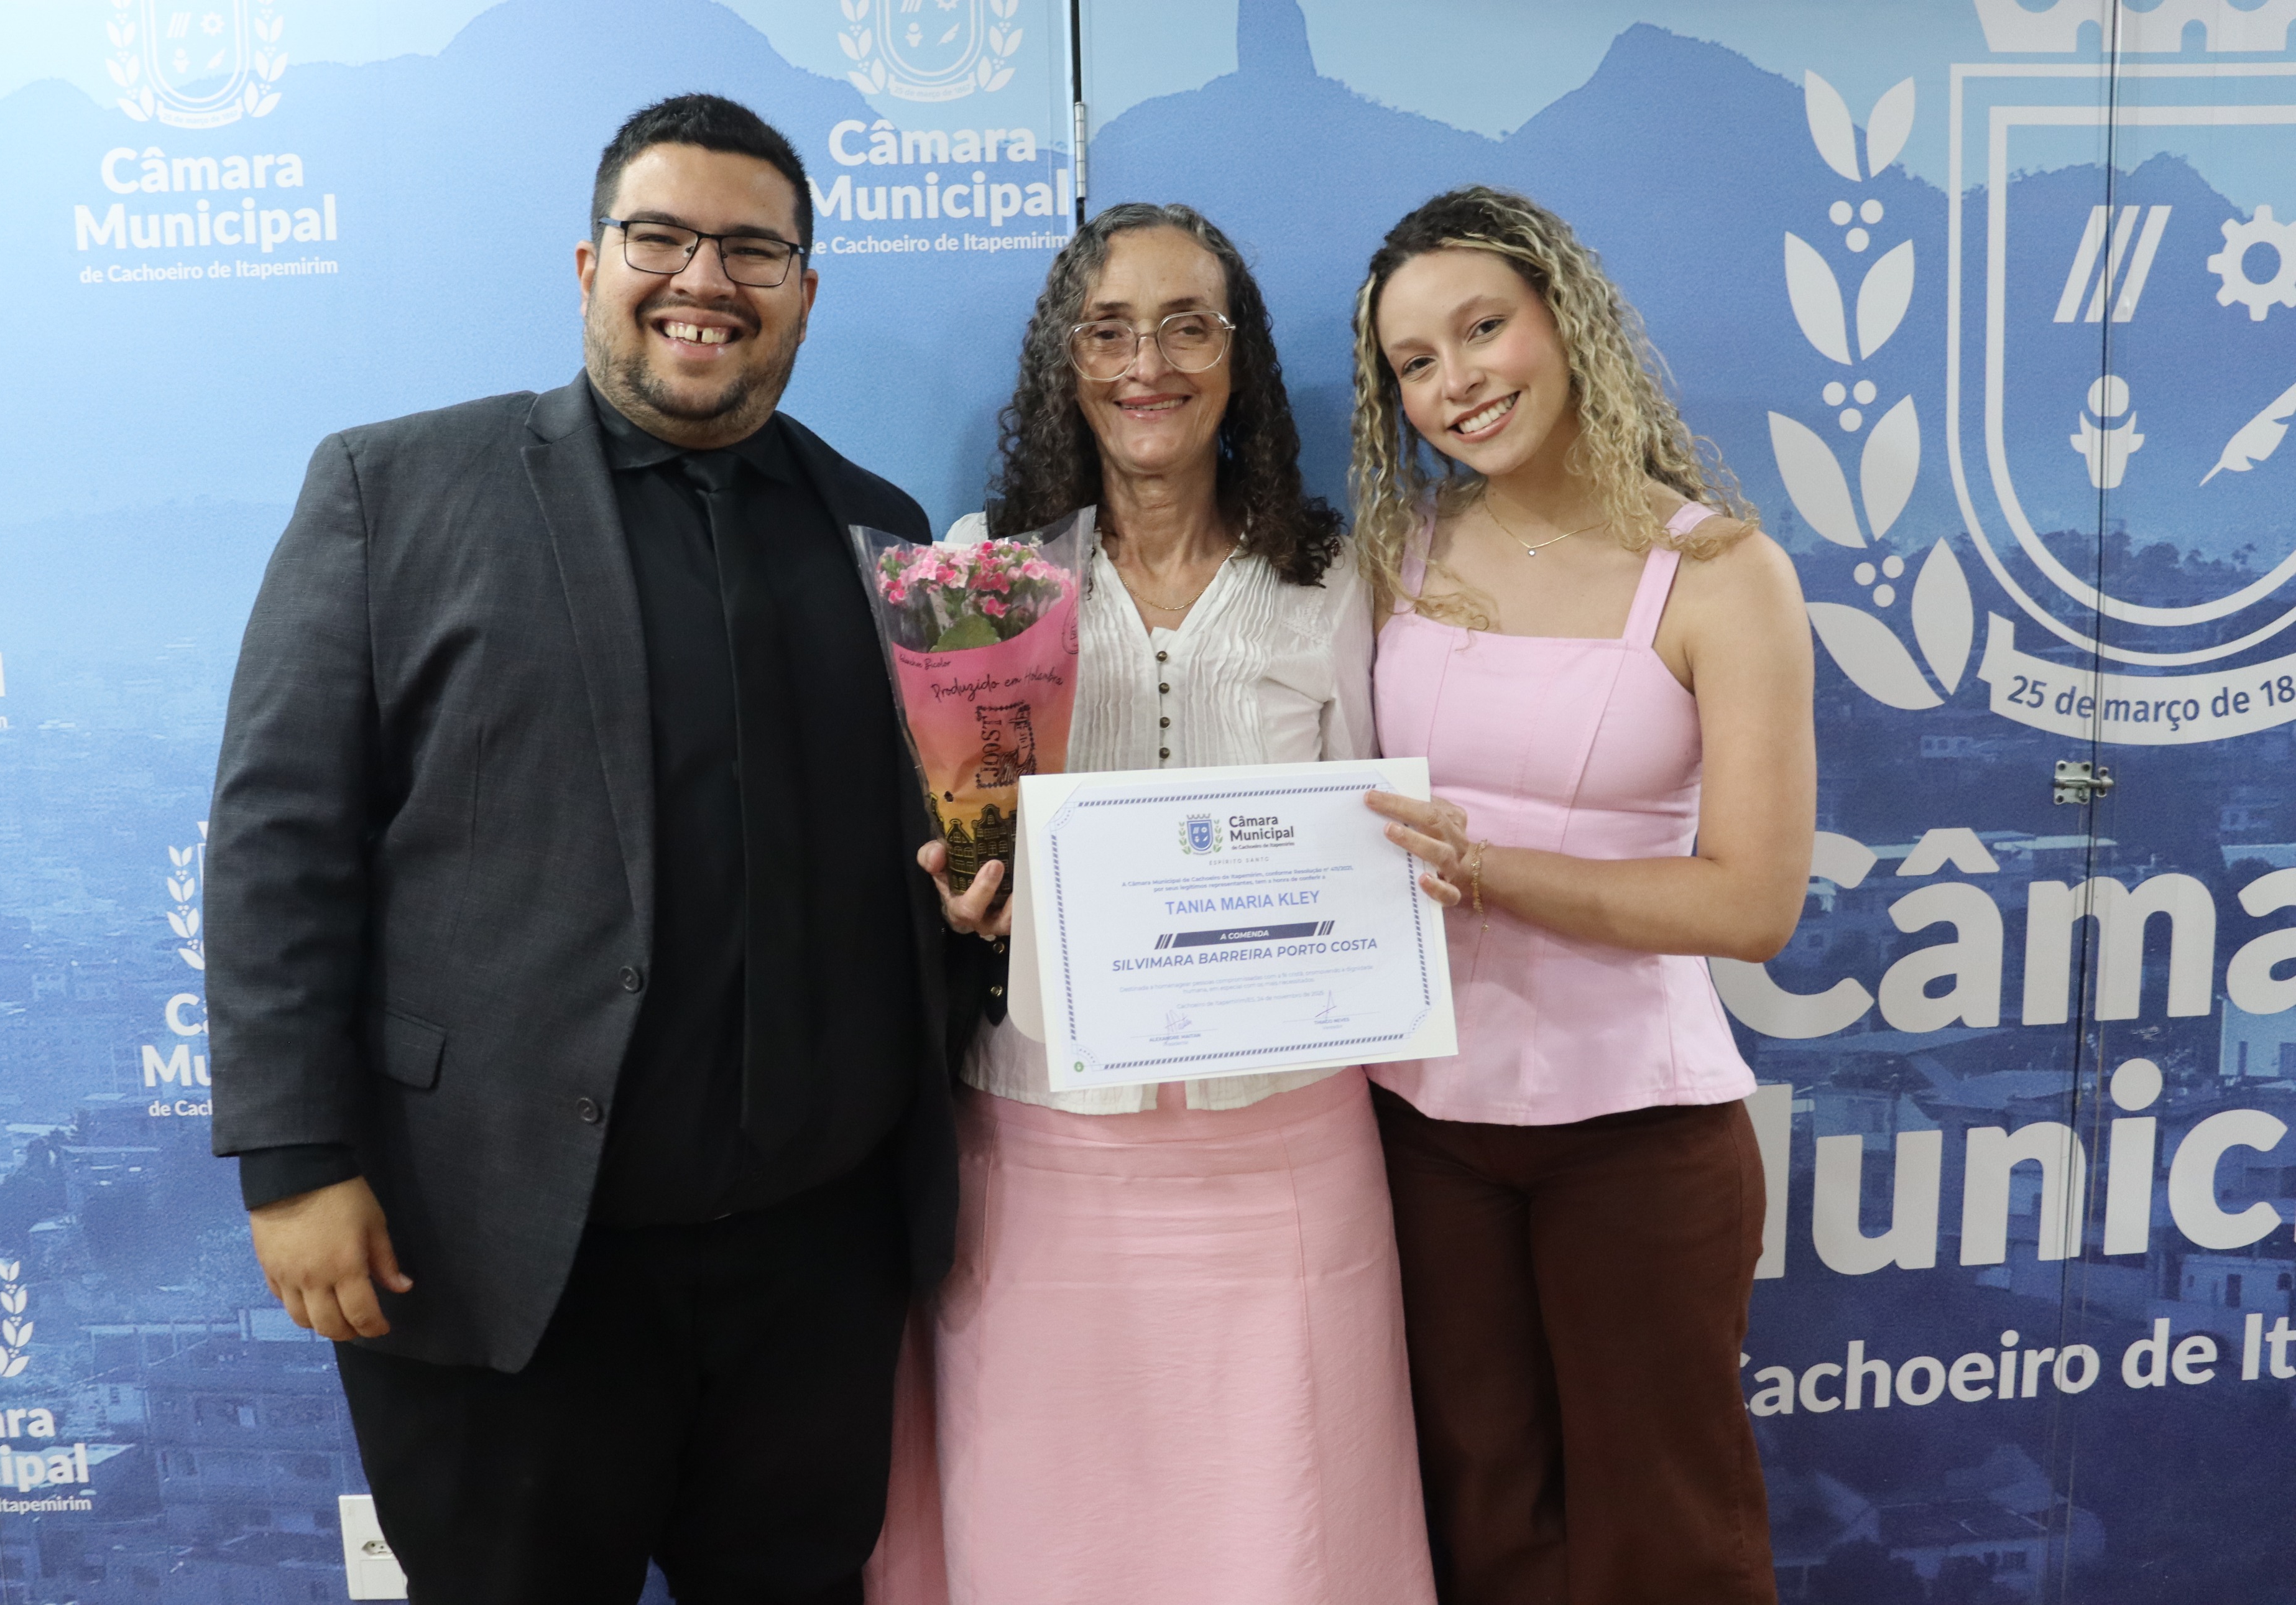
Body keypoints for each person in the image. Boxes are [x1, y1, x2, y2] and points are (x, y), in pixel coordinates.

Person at [206, 94, 980, 1605]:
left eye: (753, 250)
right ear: (588, 265)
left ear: (805, 290)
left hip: (814, 1274)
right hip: (497, 1253)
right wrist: (294, 1161)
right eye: (661, 237)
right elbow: (276, 841)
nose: (705, 279)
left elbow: (925, 864)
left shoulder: (883, 536)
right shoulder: (394, 492)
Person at [867, 203, 1434, 1605]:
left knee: (1288, 1529)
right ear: (1064, 361)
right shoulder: (984, 568)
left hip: (1286, 1145)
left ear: (1239, 357)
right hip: (1042, 1141)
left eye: (1189, 326)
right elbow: (943, 817)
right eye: (1109, 329)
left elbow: (1373, 833)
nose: (1148, 364)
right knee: (1052, 1528)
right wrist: (961, 897)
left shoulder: (1329, 574)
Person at [1350, 186, 1813, 1604]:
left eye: (1482, 328)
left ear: (1566, 320)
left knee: (1664, 1536)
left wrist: (1493, 872)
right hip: (1421, 1124)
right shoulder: (1393, 557)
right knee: (1482, 1519)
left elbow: (1752, 905)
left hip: (1639, 1131)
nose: (1456, 381)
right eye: (1415, 362)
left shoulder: (1722, 573)